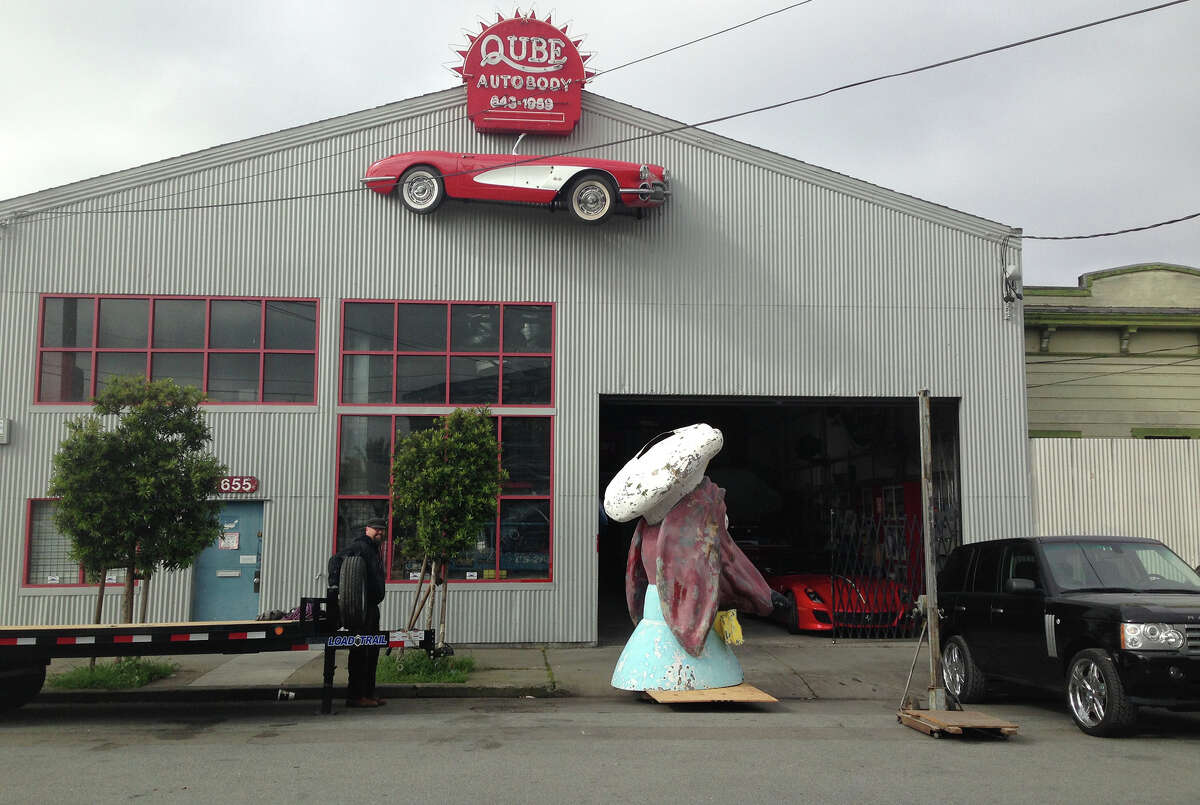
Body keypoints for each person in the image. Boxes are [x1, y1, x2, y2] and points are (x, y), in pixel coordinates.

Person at [328, 517, 388, 708]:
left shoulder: (373, 550)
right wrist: (337, 587)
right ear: (367, 529)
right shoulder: (361, 546)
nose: (380, 532)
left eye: (382, 530)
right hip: (361, 610)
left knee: (372, 652)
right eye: (376, 529)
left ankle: (368, 693)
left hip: (371, 609)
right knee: (361, 653)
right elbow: (335, 560)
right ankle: (355, 696)